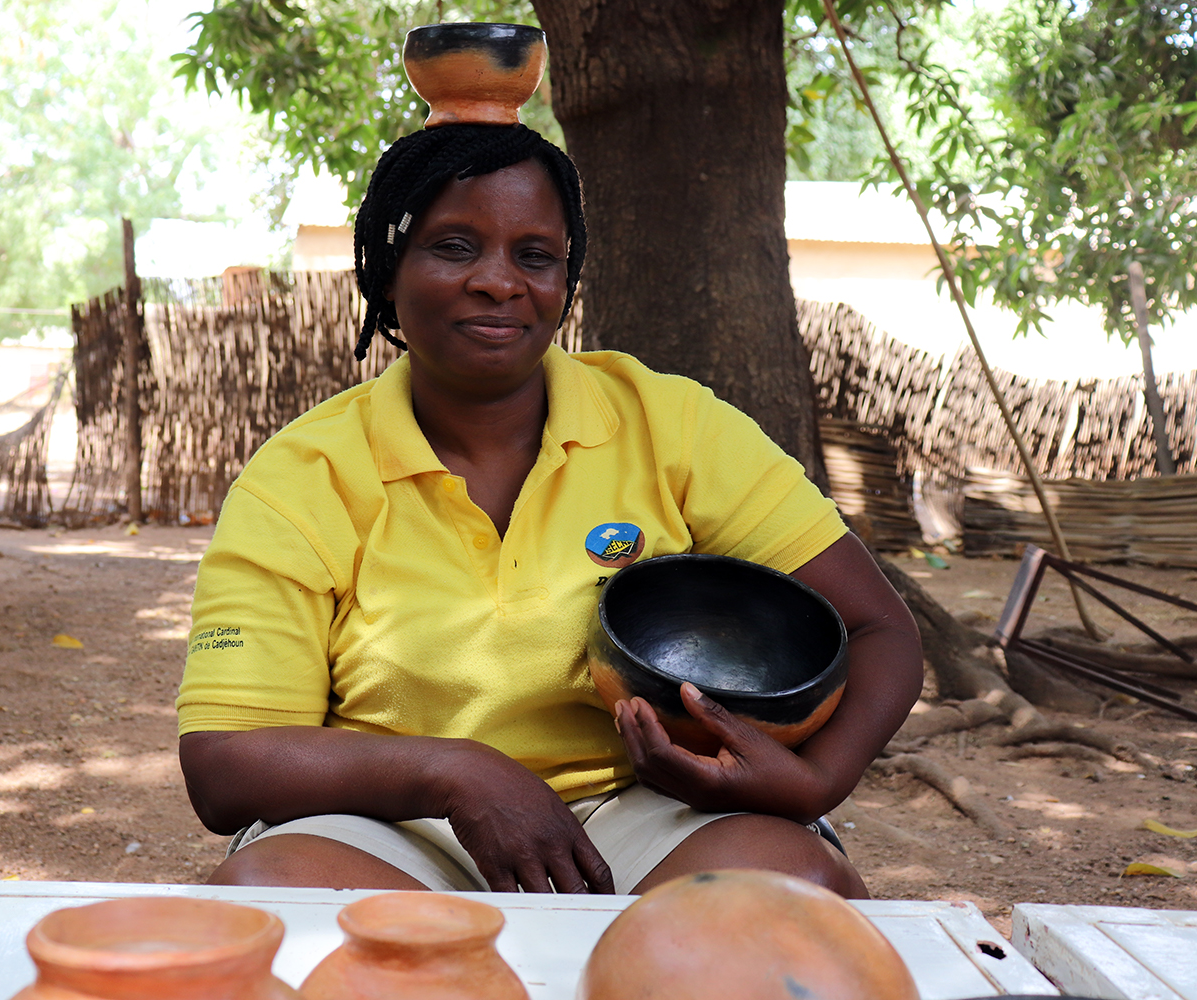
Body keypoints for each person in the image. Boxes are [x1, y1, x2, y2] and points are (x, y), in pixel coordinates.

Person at [176, 122, 922, 897]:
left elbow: (879, 630)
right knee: (285, 903)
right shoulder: (304, 476)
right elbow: (224, 762)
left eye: (536, 256)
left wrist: (813, 784)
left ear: (567, 280)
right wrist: (455, 773)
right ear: (387, 268)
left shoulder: (671, 426)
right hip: (388, 821)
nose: (500, 281)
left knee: (788, 890)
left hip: (652, 815)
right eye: (455, 247)